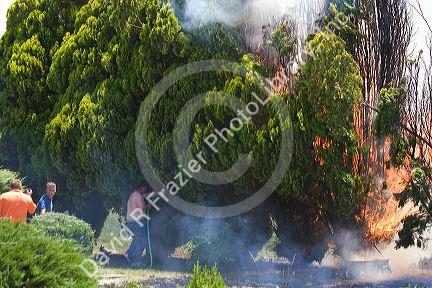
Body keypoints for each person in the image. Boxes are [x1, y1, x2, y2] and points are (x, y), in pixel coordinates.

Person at [124, 183, 150, 267]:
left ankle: (129, 254)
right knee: (143, 240)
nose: (145, 190)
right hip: (137, 223)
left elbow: (147, 195)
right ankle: (136, 261)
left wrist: (160, 193)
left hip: (130, 222)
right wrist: (149, 206)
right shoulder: (138, 196)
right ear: (141, 187)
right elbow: (142, 209)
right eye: (145, 188)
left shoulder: (133, 195)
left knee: (137, 239)